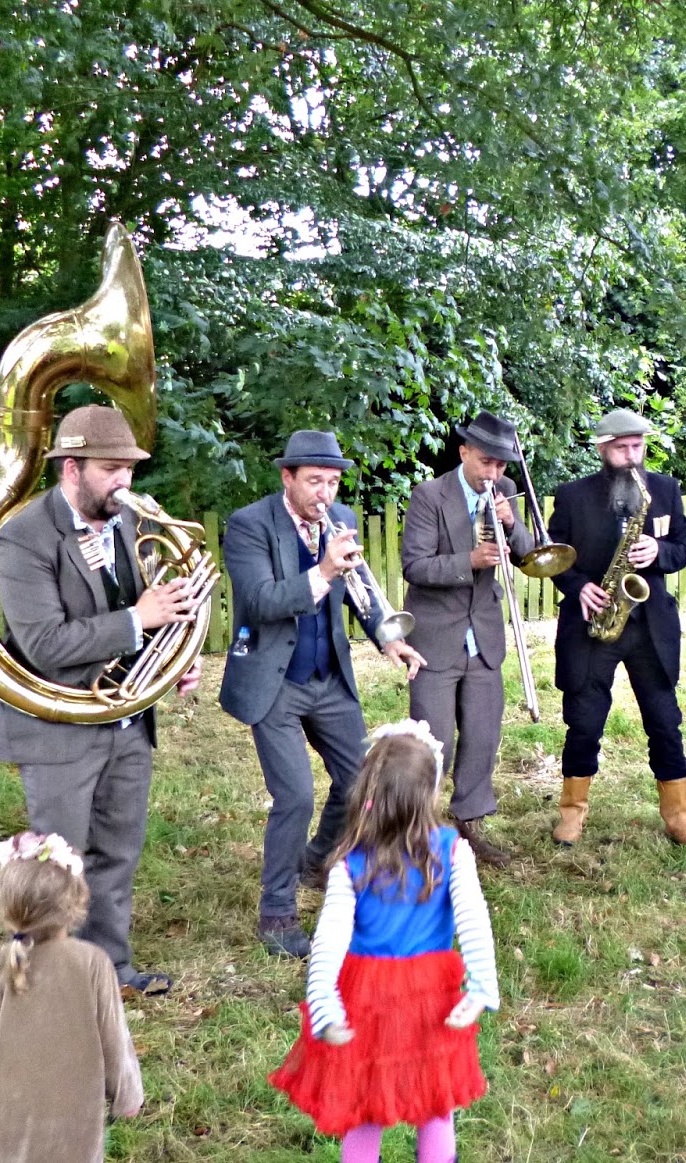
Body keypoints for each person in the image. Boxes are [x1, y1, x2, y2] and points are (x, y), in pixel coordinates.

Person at [0, 404, 201, 997]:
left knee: (118, 852)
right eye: (111, 469)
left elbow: (155, 611)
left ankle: (110, 970)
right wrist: (138, 619)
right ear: (71, 469)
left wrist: (174, 656)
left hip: (126, 716)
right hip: (57, 724)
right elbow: (44, 643)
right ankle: (51, 984)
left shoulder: (128, 522)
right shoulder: (24, 537)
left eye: (129, 469)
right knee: (58, 861)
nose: (124, 483)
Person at [220, 431, 427, 958]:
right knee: (295, 795)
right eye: (315, 481)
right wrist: (324, 569)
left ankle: (315, 861)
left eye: (333, 482)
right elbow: (261, 601)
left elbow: (360, 591)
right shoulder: (249, 525)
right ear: (287, 477)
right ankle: (276, 912)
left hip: (328, 678)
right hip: (275, 680)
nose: (325, 493)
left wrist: (388, 639)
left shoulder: (341, 520)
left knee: (360, 781)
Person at [269, 721, 498, 1163]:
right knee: (436, 1103)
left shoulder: (349, 863)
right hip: (431, 996)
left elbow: (329, 940)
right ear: (430, 794)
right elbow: (474, 921)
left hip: (367, 997)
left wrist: (324, 1002)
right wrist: (481, 987)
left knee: (363, 1105)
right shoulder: (451, 850)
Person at [544, 408, 686, 849]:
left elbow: (681, 550)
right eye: (621, 448)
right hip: (593, 623)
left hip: (649, 626)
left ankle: (680, 818)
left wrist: (658, 550)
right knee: (584, 722)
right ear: (602, 449)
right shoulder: (573, 495)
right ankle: (572, 815)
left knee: (665, 721)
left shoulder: (665, 489)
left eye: (637, 446)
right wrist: (578, 587)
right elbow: (555, 556)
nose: (632, 455)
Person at [0, 832, 142, 1161]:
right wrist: (127, 1095)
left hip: (3, 1129)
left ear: (5, 910)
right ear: (76, 902)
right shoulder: (93, 963)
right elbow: (114, 1037)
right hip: (74, 1125)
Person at [400, 412, 537, 868]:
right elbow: (415, 566)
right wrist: (470, 561)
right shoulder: (429, 495)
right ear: (464, 453)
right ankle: (417, 830)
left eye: (501, 464)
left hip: (484, 636)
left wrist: (512, 524)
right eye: (485, 462)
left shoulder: (504, 490)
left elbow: (528, 555)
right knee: (432, 740)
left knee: (482, 735)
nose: (493, 473)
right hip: (436, 635)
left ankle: (469, 824)